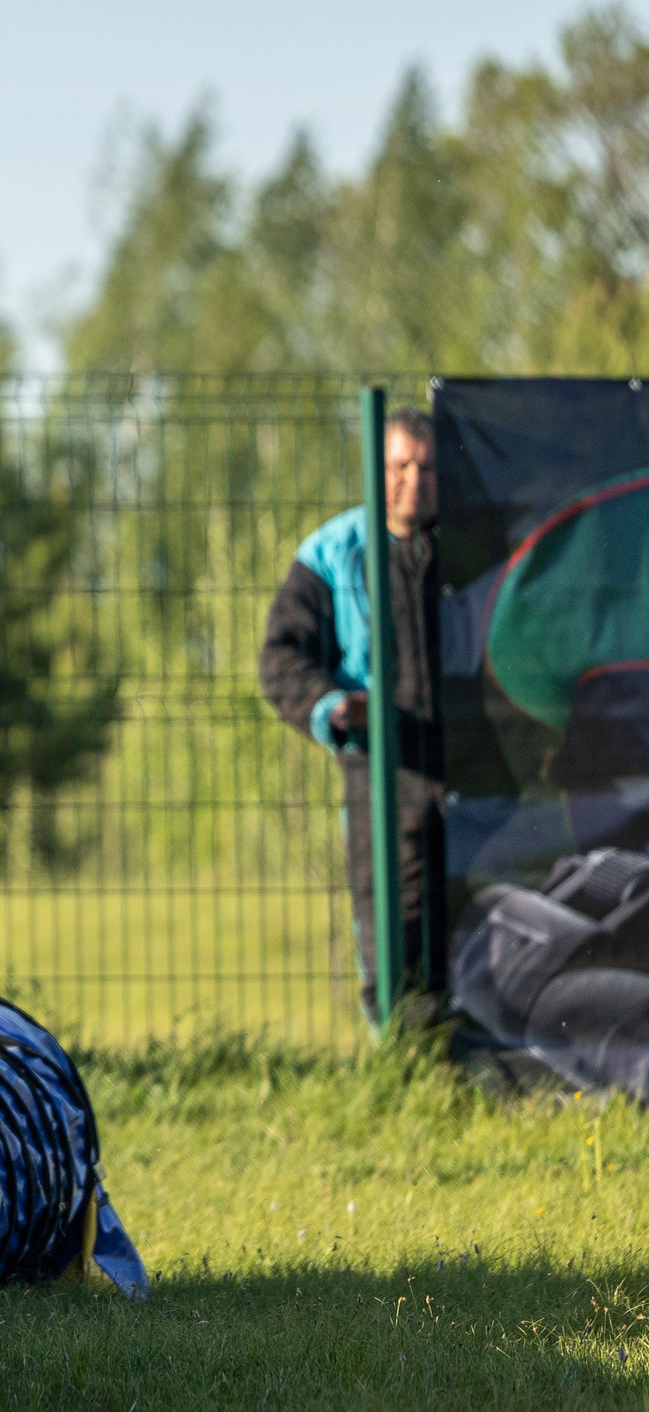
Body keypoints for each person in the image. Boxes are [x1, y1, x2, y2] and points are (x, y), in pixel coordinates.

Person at [260, 408, 444, 1015]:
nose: (413, 481)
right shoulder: (332, 552)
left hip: (474, 763)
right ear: (376, 470)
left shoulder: (474, 547)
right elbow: (281, 659)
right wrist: (335, 706)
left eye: (426, 467)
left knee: (486, 915)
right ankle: (401, 1062)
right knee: (392, 918)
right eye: (399, 468)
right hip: (380, 768)